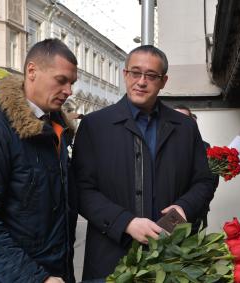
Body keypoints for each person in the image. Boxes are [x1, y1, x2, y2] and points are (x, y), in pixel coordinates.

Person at [71, 45, 215, 281]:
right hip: (109, 257)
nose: (141, 81)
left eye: (151, 76)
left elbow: (204, 181)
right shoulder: (95, 125)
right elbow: (81, 189)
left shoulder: (185, 127)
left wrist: (183, 207)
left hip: (171, 257)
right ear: (125, 74)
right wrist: (125, 222)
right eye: (135, 73)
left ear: (163, 81)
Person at [0, 38, 78, 283]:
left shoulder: (56, 129)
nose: (69, 91)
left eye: (72, 83)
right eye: (61, 80)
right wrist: (35, 278)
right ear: (32, 71)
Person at [173, 104, 219, 230]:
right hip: (167, 210)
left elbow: (210, 181)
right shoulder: (162, 146)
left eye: (183, 118)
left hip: (194, 211)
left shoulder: (204, 147)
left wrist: (200, 203)